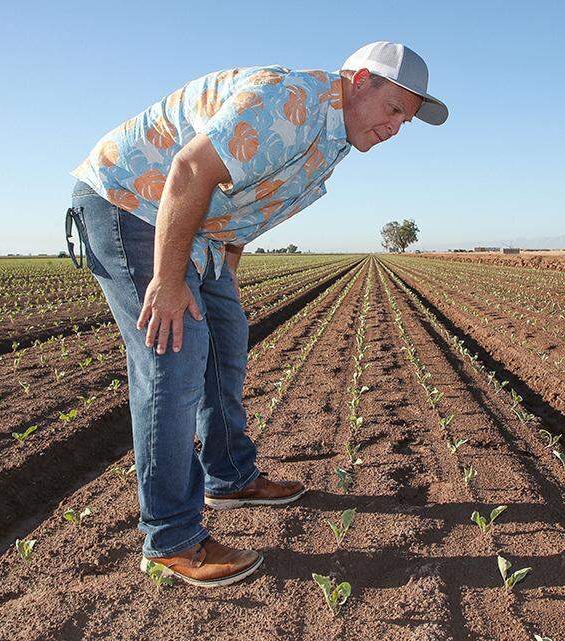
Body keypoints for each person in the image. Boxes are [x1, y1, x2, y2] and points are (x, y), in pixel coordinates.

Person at [66, 41, 447, 587]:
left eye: (405, 121)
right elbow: (190, 169)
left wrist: (225, 276)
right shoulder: (289, 102)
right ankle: (171, 538)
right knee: (173, 357)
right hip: (134, 203)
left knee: (226, 336)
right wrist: (169, 281)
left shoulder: (333, 138)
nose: (395, 129)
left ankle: (229, 475)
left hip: (198, 229)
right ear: (360, 81)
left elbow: (243, 209)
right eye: (394, 110)